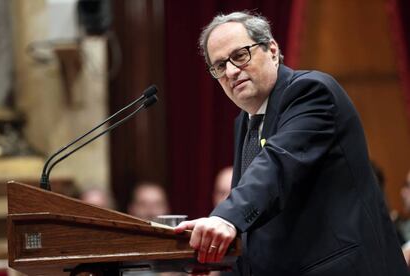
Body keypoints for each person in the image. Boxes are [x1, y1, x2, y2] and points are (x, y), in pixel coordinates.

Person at [174, 11, 408, 275]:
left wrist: (225, 218)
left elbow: (278, 165)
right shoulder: (245, 121)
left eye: (240, 56)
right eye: (219, 66)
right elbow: (259, 223)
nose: (230, 71)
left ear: (272, 50)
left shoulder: (310, 91)